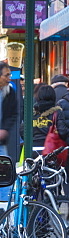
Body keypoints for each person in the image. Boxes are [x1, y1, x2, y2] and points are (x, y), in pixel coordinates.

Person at [0, 63, 18, 201]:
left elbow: (13, 113)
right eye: (6, 75)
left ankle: (3, 206)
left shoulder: (9, 91)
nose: (9, 78)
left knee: (5, 174)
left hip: (1, 143)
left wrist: (4, 129)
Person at [31, 84, 58, 148]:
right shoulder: (57, 112)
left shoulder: (33, 113)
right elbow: (63, 131)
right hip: (51, 147)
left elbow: (23, 129)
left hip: (33, 146)